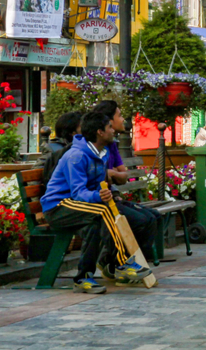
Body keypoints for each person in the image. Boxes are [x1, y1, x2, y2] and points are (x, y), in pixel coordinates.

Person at [40, 112, 153, 293]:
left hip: (78, 206)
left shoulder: (102, 153)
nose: (113, 131)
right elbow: (78, 193)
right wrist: (98, 196)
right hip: (58, 207)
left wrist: (107, 194)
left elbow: (96, 185)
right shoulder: (77, 156)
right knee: (102, 212)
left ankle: (83, 278)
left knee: (94, 226)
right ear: (100, 132)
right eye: (109, 127)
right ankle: (122, 263)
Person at [91, 99, 158, 275]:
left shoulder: (111, 145)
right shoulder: (93, 147)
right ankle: (117, 264)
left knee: (153, 217)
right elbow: (98, 176)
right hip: (97, 201)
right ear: (108, 122)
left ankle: (125, 263)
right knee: (140, 220)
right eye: (120, 116)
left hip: (111, 197)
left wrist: (111, 174)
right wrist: (111, 175)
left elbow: (123, 176)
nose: (124, 120)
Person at [40, 112, 84, 191]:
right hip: (60, 194)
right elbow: (37, 170)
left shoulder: (82, 147)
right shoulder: (53, 148)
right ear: (72, 133)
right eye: (82, 127)